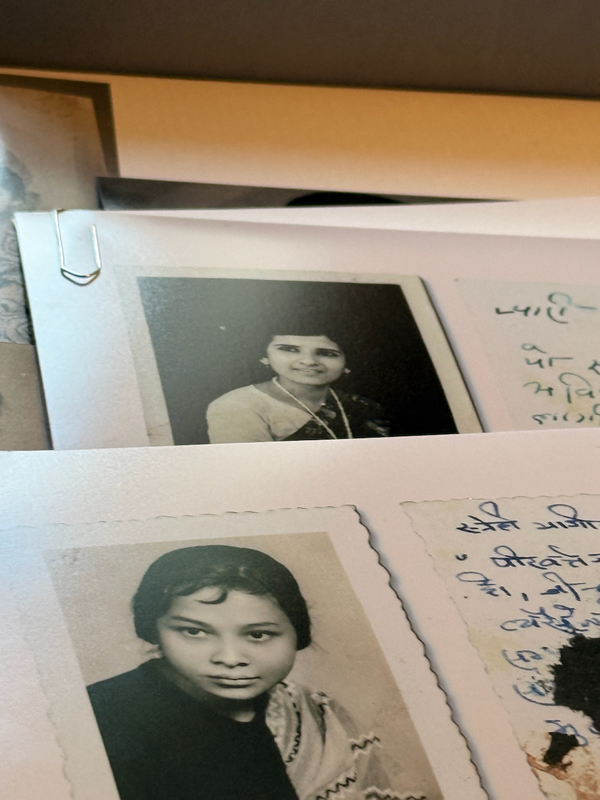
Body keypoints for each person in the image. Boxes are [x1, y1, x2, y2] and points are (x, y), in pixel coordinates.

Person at [86, 545, 407, 800]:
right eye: (194, 632)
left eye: (258, 634)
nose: (230, 658)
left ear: (297, 633)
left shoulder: (315, 713)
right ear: (153, 631)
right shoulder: (100, 717)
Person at [206, 332, 390, 443]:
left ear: (347, 364)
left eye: (327, 353)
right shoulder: (238, 406)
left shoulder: (364, 406)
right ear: (265, 357)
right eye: (290, 349)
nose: (308, 361)